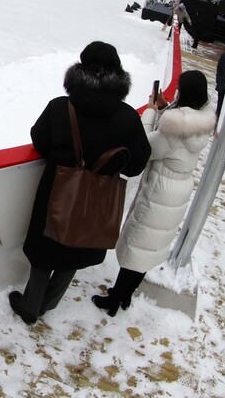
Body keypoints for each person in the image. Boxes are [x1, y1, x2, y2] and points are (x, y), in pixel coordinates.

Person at [10, 41, 151, 324]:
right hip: (99, 199)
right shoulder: (128, 118)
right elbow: (137, 164)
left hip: (57, 190)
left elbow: (39, 139)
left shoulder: (61, 107)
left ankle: (30, 307)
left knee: (45, 248)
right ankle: (49, 302)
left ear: (80, 70)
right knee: (78, 248)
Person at [92, 70, 216, 316]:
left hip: (160, 189)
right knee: (151, 245)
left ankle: (115, 299)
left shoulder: (175, 126)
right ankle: (126, 295)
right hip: (178, 189)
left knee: (139, 245)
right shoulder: (199, 121)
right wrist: (165, 108)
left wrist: (150, 112)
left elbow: (148, 146)